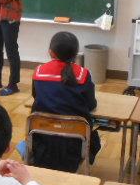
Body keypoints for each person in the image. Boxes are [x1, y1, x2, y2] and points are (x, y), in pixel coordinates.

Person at [31, 31, 100, 172]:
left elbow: (36, 96)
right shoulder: (83, 74)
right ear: (76, 53)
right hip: (75, 145)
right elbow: (91, 104)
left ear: (51, 52)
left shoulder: (39, 72)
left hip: (42, 142)